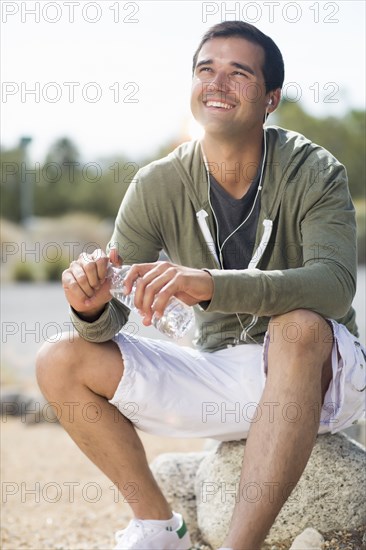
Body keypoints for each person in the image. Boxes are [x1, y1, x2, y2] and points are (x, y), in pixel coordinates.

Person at [36, 20, 365, 550]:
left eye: (239, 73)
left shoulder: (314, 170)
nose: (217, 82)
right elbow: (111, 322)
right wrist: (92, 308)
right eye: (206, 69)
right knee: (60, 358)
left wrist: (211, 284)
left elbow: (334, 287)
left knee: (300, 327)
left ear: (270, 98)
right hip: (222, 376)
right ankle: (160, 527)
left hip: (324, 378)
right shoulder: (157, 183)